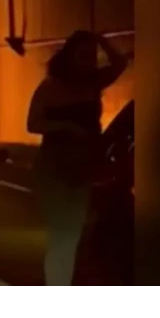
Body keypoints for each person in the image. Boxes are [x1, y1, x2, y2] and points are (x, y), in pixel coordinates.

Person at [26, 30, 128, 286]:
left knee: (73, 234)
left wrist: (102, 41)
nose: (88, 60)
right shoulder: (51, 87)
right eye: (82, 54)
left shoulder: (92, 83)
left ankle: (63, 282)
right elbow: (33, 123)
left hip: (82, 166)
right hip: (55, 165)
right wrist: (66, 127)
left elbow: (120, 64)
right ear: (70, 56)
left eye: (91, 55)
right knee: (62, 235)